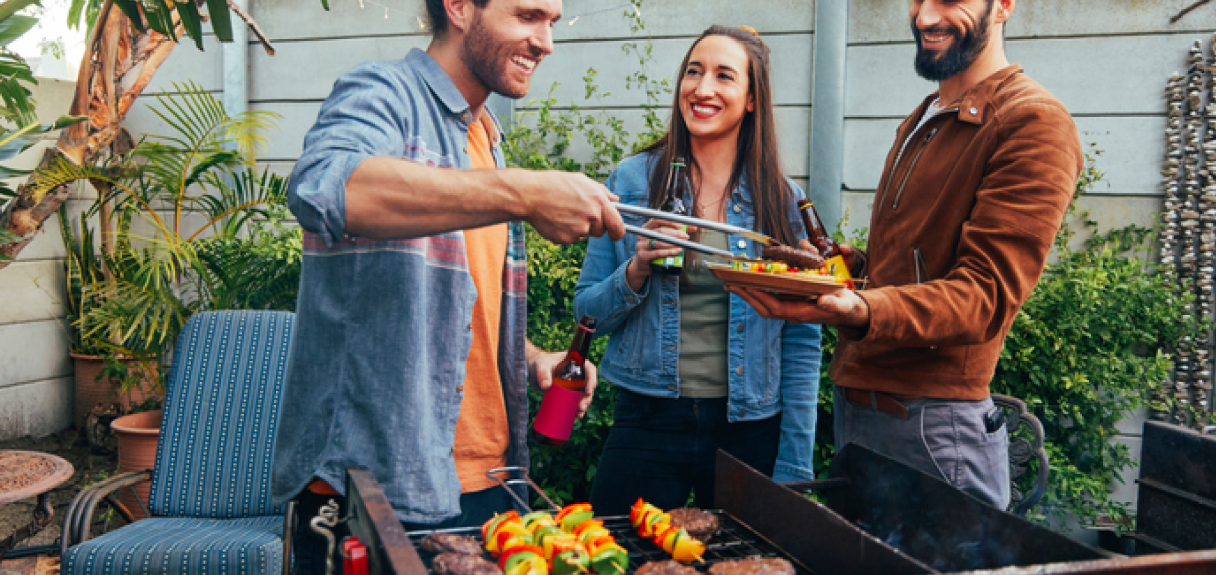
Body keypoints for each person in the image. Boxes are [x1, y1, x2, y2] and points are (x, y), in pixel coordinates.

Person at [268, 0, 624, 570]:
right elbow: (324, 187)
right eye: (528, 15)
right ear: (459, 7)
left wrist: (532, 358)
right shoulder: (384, 92)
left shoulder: (485, 133)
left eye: (552, 23)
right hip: (378, 486)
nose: (546, 43)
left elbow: (458, 306)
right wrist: (525, 192)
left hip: (487, 482)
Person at [731, 0, 1082, 509]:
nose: (923, 17)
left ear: (1004, 5)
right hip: (863, 417)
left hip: (935, 431)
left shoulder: (1033, 122)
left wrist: (862, 307)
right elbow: (907, 270)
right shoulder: (925, 116)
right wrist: (845, 273)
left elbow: (985, 294)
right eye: (917, 0)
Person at [574, 25, 822, 516]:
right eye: (694, 71)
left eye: (724, 76)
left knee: (746, 565)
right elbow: (588, 314)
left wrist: (795, 462)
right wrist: (637, 268)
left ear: (752, 99)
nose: (702, 88)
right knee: (618, 560)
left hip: (750, 428)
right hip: (647, 420)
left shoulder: (783, 200)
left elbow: (801, 341)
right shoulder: (630, 182)